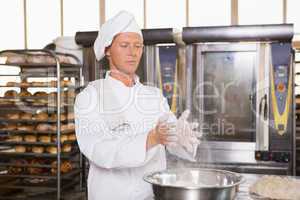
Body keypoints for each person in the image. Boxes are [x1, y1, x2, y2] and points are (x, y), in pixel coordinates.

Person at [74, 11, 200, 200]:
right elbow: (100, 151)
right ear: (108, 50)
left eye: (138, 46)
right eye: (124, 45)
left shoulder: (153, 95)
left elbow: (169, 137)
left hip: (152, 195)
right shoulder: (90, 97)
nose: (133, 52)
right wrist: (151, 138)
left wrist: (179, 138)